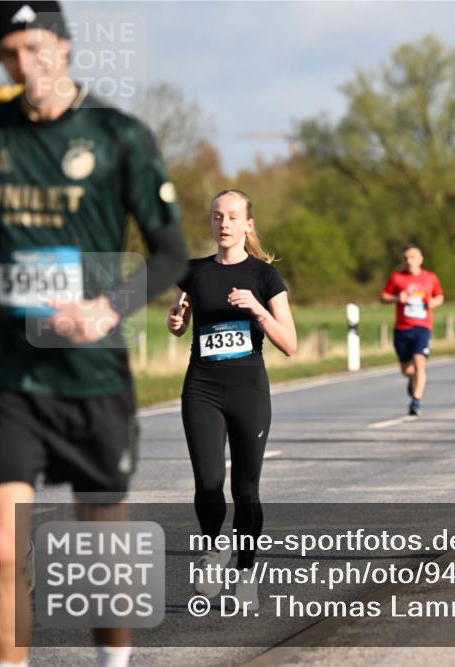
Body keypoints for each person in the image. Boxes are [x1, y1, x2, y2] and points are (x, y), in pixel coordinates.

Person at [0, 4, 188, 666]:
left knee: (102, 556)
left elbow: (169, 254)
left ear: (66, 49)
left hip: (92, 376)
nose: (25, 66)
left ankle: (113, 660)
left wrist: (109, 307)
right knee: (0, 545)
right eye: (10, 53)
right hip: (9, 376)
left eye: (36, 49)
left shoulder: (117, 136)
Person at [168, 189, 296, 608]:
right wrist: (176, 320)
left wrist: (258, 310)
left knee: (245, 489)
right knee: (208, 483)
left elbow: (290, 344)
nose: (224, 223)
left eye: (233, 217)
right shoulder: (193, 272)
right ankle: (211, 550)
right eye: (217, 216)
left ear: (248, 225)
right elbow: (180, 321)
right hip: (201, 386)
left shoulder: (265, 277)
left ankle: (245, 571)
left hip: (248, 390)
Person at [381, 245, 444, 416]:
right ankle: (412, 379)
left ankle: (415, 402)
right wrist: (396, 298)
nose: (409, 261)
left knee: (419, 364)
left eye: (413, 257)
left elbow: (440, 296)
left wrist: (433, 302)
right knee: (407, 370)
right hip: (402, 329)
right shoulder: (397, 278)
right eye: (406, 258)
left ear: (420, 259)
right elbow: (383, 296)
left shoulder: (430, 278)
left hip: (422, 327)